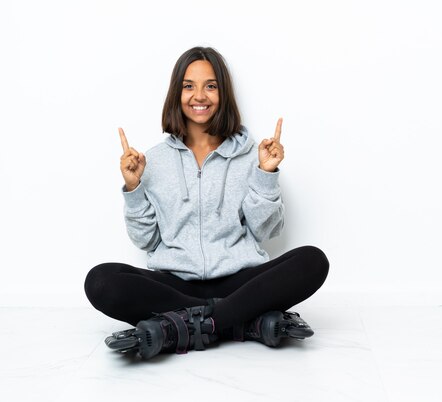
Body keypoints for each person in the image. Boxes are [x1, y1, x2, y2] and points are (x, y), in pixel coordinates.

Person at [84, 47, 329, 360]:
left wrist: (265, 173)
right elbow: (146, 240)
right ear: (177, 93)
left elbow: (266, 230)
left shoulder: (251, 154)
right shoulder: (153, 160)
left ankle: (181, 326)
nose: (199, 96)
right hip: (174, 286)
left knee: (313, 260)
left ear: (223, 93)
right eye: (189, 86)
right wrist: (133, 188)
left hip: (239, 283)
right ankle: (241, 323)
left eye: (210, 86)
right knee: (101, 281)